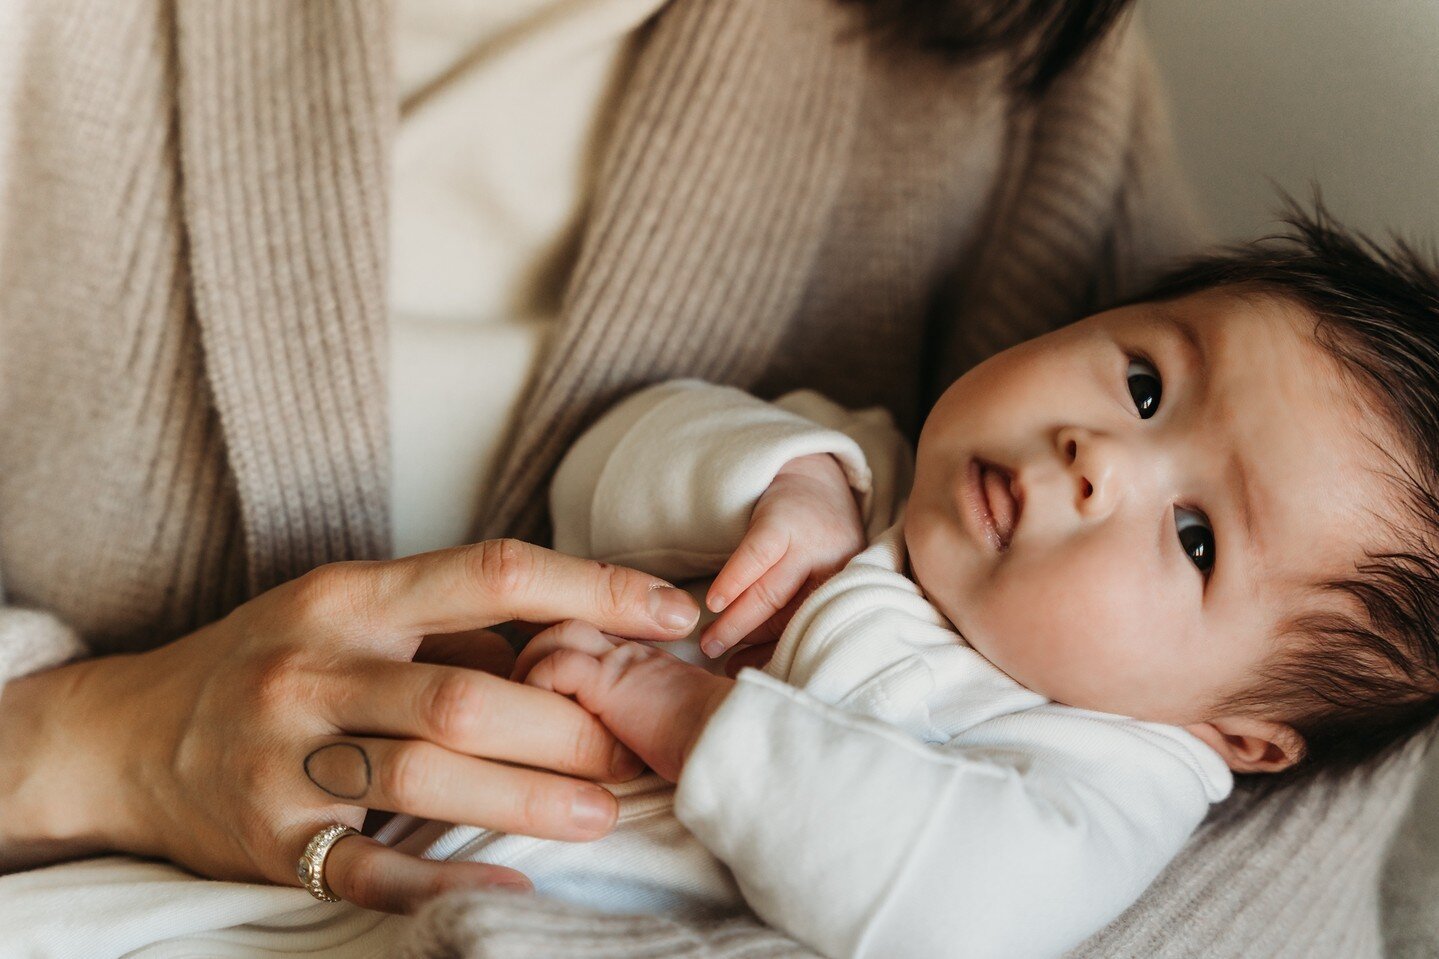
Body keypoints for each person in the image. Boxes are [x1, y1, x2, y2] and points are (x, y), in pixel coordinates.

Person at [0, 1, 1426, 957]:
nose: (1096, 458)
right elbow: (623, 463)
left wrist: (693, 715)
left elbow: (964, 898)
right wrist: (786, 486)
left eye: (1193, 539)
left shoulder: (1113, 766)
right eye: (1137, 382)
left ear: (1245, 737)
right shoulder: (871, 490)